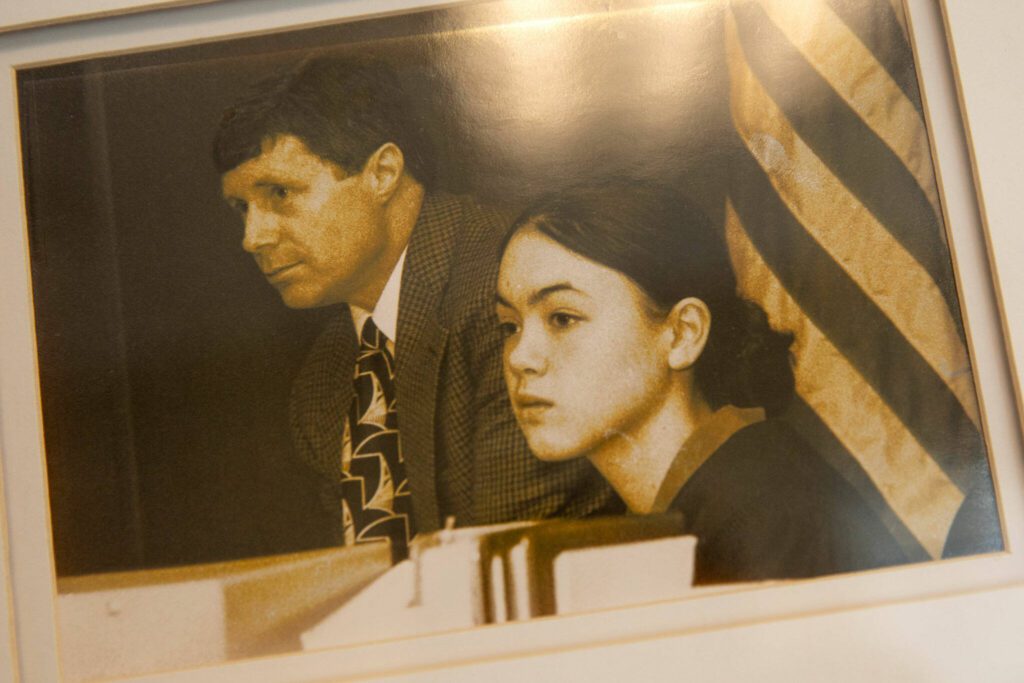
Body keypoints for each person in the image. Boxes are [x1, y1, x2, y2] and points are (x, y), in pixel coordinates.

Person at [213, 55, 618, 559]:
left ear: (383, 172)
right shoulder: (323, 383)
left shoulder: (512, 290)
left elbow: (514, 560)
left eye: (279, 193)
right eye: (241, 208)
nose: (253, 237)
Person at [495, 180, 909, 583]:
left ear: (682, 334)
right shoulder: (700, 507)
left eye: (563, 318)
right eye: (510, 326)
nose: (520, 357)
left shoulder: (762, 512)